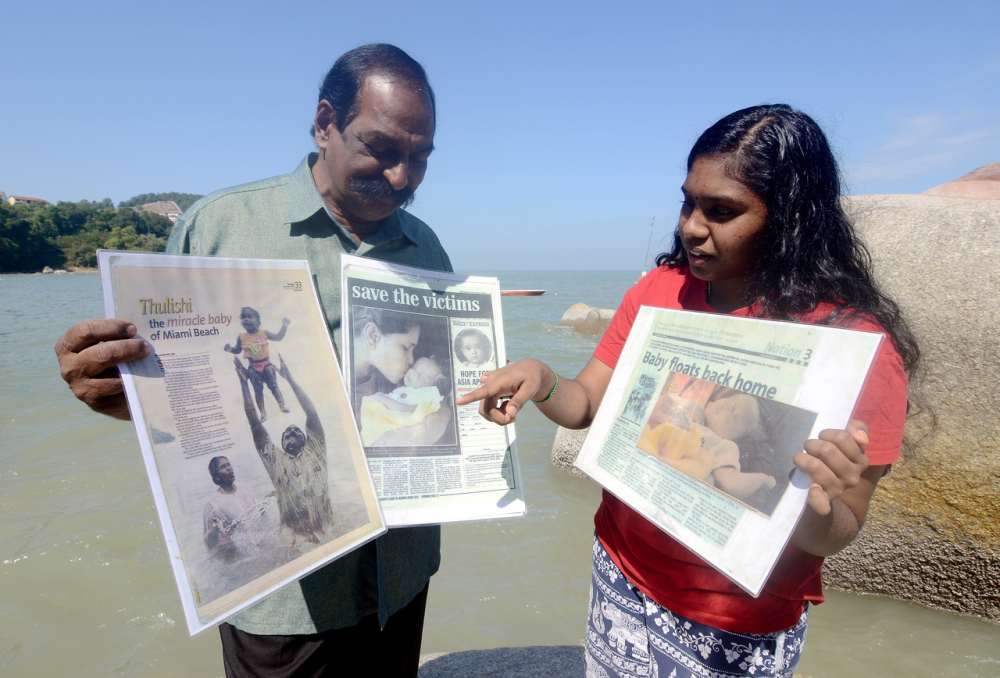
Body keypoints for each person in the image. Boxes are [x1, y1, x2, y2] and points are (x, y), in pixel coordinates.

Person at [459, 104, 917, 677]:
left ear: (790, 218)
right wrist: (545, 380)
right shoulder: (658, 291)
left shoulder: (851, 348)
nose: (691, 226)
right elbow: (586, 406)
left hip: (736, 623)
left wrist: (820, 506)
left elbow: (833, 534)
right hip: (620, 573)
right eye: (688, 202)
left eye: (722, 211)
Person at [54, 43, 450, 677]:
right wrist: (119, 391)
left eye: (420, 158)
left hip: (400, 569)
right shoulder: (218, 229)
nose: (403, 177)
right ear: (325, 123)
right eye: (382, 148)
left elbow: (435, 386)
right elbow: (182, 396)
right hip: (285, 598)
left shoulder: (425, 247)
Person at [234, 355, 332, 543]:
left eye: (297, 430)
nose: (292, 431)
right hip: (293, 537)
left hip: (326, 529)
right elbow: (254, 422)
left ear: (308, 439)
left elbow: (311, 412)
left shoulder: (316, 452)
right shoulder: (275, 460)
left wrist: (290, 379)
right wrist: (245, 384)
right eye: (287, 433)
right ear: (282, 445)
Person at [351, 308, 452, 448]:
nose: (411, 361)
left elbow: (432, 405)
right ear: (373, 335)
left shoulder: (392, 379)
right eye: (405, 348)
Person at [360, 356, 448, 446]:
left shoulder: (423, 395)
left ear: (429, 387)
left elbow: (405, 409)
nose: (412, 373)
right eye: (414, 368)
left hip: (392, 424)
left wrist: (381, 398)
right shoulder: (406, 389)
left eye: (420, 375)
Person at [224, 308, 291, 421]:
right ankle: (263, 413)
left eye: (250, 317)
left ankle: (282, 405)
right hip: (253, 367)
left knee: (274, 386)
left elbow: (278, 337)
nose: (247, 320)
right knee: (258, 391)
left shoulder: (264, 333)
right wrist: (230, 349)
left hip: (266, 364)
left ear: (258, 320)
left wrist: (284, 325)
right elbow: (238, 350)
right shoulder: (241, 337)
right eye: (244, 317)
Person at [203, 456, 260, 560]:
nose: (229, 468)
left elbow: (260, 515)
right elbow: (208, 543)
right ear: (216, 476)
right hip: (240, 556)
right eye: (223, 467)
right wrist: (215, 530)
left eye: (229, 464)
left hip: (260, 543)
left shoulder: (246, 489)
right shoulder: (212, 505)